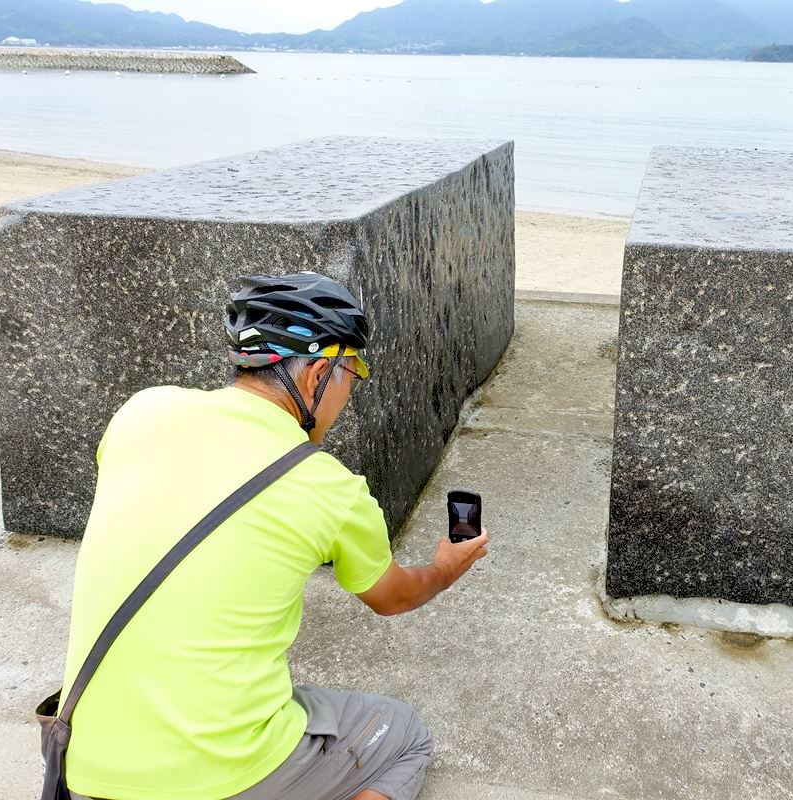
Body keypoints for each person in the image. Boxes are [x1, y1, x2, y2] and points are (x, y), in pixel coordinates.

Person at [59, 272, 489, 800]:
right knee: (403, 735)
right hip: (222, 776)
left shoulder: (139, 414)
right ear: (316, 374)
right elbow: (394, 598)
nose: (351, 390)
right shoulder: (328, 486)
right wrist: (447, 567)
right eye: (353, 371)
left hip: (80, 765)